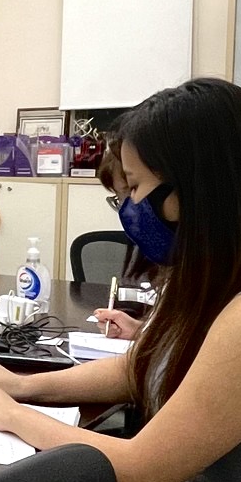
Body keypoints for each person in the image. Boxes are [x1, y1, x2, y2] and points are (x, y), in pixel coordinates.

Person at [0, 78, 241, 482]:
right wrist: (22, 386)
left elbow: (140, 470)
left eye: (136, 186)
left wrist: (13, 415)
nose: (131, 206)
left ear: (197, 188)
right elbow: (142, 368)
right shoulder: (225, 283)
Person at [93, 141, 157, 340]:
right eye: (120, 197)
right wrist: (138, 330)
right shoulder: (145, 246)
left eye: (132, 189)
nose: (128, 207)